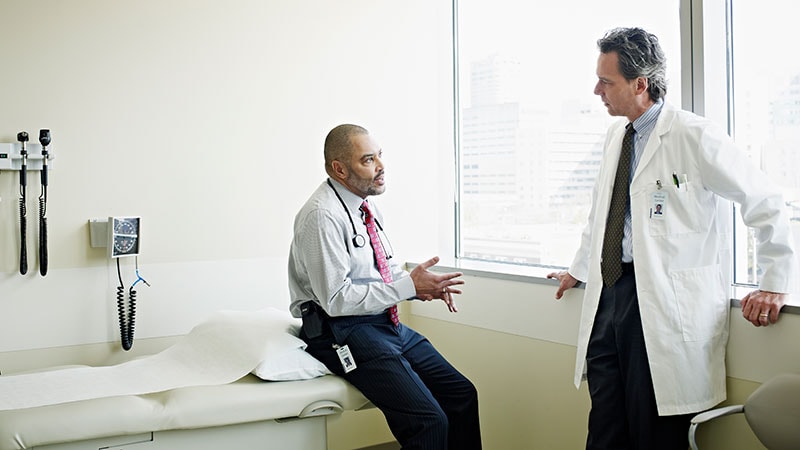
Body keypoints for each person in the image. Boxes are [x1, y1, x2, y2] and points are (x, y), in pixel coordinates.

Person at [547, 27, 796, 450]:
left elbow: (764, 200)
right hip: (610, 292)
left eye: (606, 81)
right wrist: (578, 269)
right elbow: (603, 216)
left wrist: (773, 281)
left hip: (661, 300)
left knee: (654, 427)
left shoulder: (694, 135)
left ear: (639, 84)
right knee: (605, 423)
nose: (596, 91)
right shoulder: (617, 136)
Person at [288, 124, 482, 450]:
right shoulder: (322, 216)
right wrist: (407, 288)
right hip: (339, 331)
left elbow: (382, 269)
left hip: (382, 323)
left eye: (379, 155)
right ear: (339, 169)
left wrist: (421, 286)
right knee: (429, 421)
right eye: (368, 159)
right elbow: (336, 300)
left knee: (461, 394)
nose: (380, 166)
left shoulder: (365, 206)